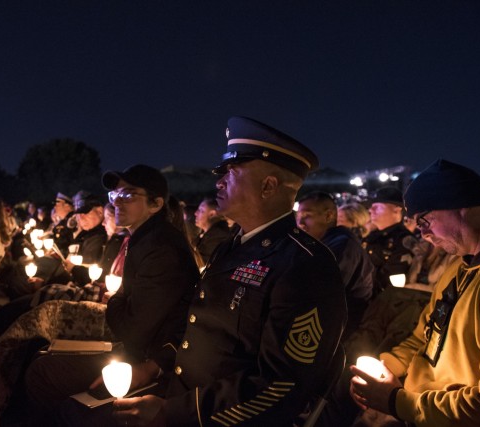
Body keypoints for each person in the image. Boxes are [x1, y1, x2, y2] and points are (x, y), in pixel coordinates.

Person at [112, 116, 347, 426]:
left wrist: (176, 413)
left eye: (231, 173)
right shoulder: (231, 247)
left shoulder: (305, 266)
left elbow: (280, 386)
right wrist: (156, 366)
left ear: (268, 186)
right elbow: (198, 326)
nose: (218, 182)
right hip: (179, 396)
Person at [24, 164, 199, 420]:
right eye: (115, 195)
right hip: (138, 349)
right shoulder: (143, 239)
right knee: (40, 353)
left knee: (43, 372)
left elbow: (132, 328)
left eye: (129, 194)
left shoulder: (161, 248)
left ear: (156, 204)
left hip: (149, 358)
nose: (118, 201)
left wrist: (116, 298)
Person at [349, 159, 480, 427]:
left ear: (463, 207)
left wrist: (395, 402)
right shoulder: (457, 268)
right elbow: (426, 336)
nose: (422, 234)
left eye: (425, 220)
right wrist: (387, 367)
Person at [297, 191, 374, 340]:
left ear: (329, 216)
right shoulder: (322, 243)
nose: (300, 223)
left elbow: (317, 291)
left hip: (341, 331)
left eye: (307, 216)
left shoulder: (342, 247)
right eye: (298, 216)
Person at [362, 187, 415, 297]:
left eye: (377, 207)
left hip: (381, 299)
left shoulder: (404, 239)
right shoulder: (371, 236)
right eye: (371, 207)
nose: (371, 210)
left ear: (397, 209)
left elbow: (394, 278)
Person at [192, 197, 232, 266]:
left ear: (212, 214)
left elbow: (201, 262)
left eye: (201, 210)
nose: (196, 213)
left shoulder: (218, 235)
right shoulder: (207, 234)